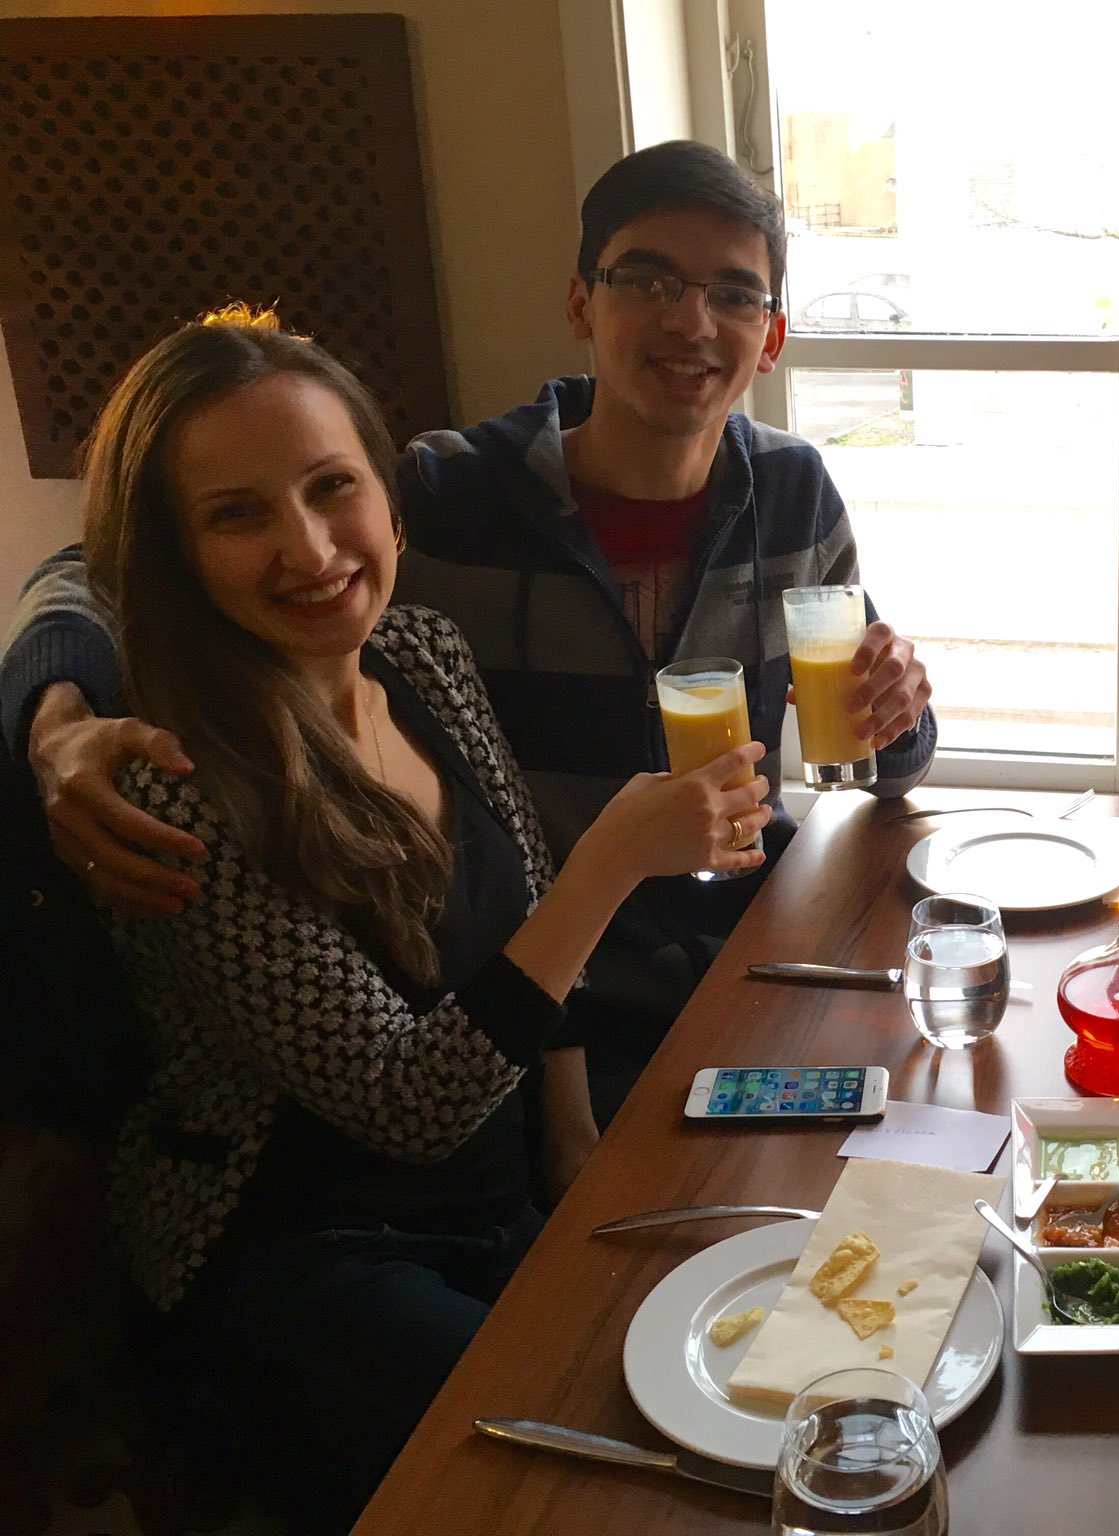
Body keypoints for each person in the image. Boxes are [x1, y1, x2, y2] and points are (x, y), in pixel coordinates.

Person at [1, 140, 935, 1121]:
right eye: (648, 278)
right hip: (547, 1009)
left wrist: (901, 716)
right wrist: (55, 713)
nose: (689, 320)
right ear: (581, 301)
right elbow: (98, 570)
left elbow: (876, 756)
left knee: (925, 1157)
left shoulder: (793, 496)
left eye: (732, 293)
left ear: (771, 335)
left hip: (753, 955)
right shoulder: (447, 497)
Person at [69, 305, 774, 1532]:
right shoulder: (174, 781)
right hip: (303, 1263)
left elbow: (523, 956)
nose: (308, 547)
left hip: (491, 1200)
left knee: (750, 1352)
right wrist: (605, 865)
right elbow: (408, 1104)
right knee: (613, 1485)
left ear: (390, 506)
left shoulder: (424, 656)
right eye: (237, 515)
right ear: (173, 554)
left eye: (331, 488)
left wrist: (574, 1159)